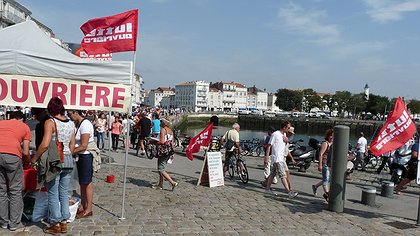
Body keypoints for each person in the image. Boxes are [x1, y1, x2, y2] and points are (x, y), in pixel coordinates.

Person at [30, 97, 75, 235]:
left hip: (54, 161)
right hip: (68, 159)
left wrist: (35, 158)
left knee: (53, 193)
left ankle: (55, 223)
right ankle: (64, 222)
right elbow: (72, 145)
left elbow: (44, 144)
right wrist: (67, 155)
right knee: (64, 192)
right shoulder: (71, 123)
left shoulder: (50, 122)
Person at [0, 111, 31, 231]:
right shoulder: (24, 127)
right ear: (21, 119)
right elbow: (26, 152)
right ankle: (14, 223)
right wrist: (27, 162)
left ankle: (3, 222)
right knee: (15, 190)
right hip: (12, 156)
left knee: (1, 190)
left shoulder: (1, 123)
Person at [68, 110, 98, 219]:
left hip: (85, 155)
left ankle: (89, 208)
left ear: (75, 112)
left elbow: (84, 145)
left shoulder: (85, 124)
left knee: (87, 182)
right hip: (80, 156)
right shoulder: (77, 124)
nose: (69, 115)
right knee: (82, 183)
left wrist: (70, 152)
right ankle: (82, 205)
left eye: (70, 113)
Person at [264, 121, 298, 198]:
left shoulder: (284, 135)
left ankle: (267, 188)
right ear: (284, 127)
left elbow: (283, 146)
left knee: (272, 174)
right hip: (277, 158)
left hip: (281, 158)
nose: (289, 129)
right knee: (283, 175)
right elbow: (269, 146)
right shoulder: (275, 134)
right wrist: (266, 157)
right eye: (288, 128)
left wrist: (286, 141)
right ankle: (289, 192)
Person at [151, 118, 178, 190]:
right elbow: (172, 143)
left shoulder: (163, 130)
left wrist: (153, 142)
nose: (159, 123)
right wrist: (172, 153)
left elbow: (162, 141)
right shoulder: (171, 131)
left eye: (161, 122)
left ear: (164, 123)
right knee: (161, 167)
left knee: (161, 169)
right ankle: (160, 184)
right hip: (169, 151)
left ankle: (172, 183)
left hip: (163, 151)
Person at [312, 129, 333, 201]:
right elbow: (321, 154)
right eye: (331, 136)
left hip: (330, 163)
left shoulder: (333, 143)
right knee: (325, 179)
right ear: (328, 136)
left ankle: (315, 186)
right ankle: (327, 194)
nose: (332, 137)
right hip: (325, 163)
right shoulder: (325, 143)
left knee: (327, 179)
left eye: (333, 136)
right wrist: (320, 165)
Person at [284, 126, 297, 191]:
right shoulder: (283, 138)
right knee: (286, 173)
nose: (291, 135)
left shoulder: (287, 140)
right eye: (290, 133)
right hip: (280, 158)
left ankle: (265, 183)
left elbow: (287, 150)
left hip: (283, 158)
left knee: (273, 174)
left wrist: (292, 158)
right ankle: (289, 188)